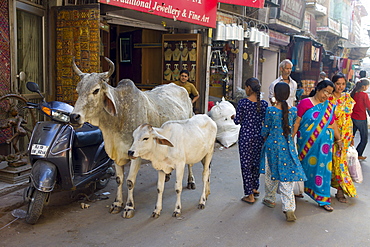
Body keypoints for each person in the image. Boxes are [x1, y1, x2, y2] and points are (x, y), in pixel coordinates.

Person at [293, 80, 342, 212]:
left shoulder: (328, 107)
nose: (327, 95)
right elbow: (297, 122)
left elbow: (333, 124)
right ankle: (298, 189)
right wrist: (290, 137)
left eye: (330, 93)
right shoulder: (305, 103)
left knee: (323, 171)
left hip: (324, 149)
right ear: (318, 89)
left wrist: (338, 140)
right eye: (325, 91)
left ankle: (323, 199)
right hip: (306, 145)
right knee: (303, 167)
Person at [260, 82, 307, 222]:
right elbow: (293, 130)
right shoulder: (293, 111)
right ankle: (289, 208)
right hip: (288, 147)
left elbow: (265, 130)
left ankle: (270, 198)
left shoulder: (271, 111)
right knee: (287, 176)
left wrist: (265, 135)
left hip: (272, 147)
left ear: (275, 94)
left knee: (271, 174)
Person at [233, 78, 268, 204]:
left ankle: (249, 195)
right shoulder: (264, 104)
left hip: (246, 138)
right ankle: (254, 187)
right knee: (256, 163)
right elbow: (266, 122)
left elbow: (237, 121)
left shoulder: (243, 103)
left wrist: (234, 117)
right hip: (259, 137)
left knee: (246, 165)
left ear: (248, 88)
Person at [329, 73, 357, 202]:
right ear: (333, 84)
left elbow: (350, 117)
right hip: (332, 136)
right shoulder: (328, 98)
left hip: (346, 135)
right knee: (331, 163)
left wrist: (351, 137)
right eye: (338, 84)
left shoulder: (347, 97)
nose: (340, 87)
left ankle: (340, 191)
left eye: (343, 84)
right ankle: (324, 189)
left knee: (341, 162)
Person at [351, 78, 370, 160]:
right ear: (364, 86)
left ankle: (347, 152)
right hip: (361, 118)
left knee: (351, 136)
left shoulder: (353, 94)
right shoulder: (364, 95)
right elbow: (369, 107)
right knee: (364, 138)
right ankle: (358, 153)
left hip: (353, 117)